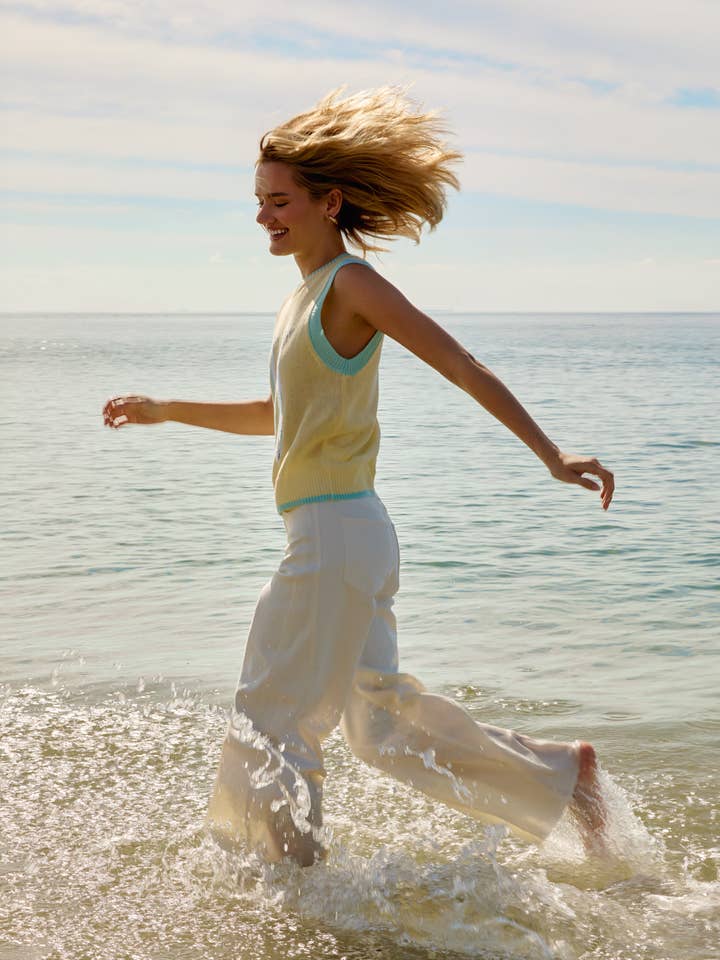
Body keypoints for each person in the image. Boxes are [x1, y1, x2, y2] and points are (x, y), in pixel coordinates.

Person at [103, 88, 614, 867]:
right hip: (347, 533)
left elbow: (459, 363)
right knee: (380, 728)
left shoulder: (350, 284)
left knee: (271, 716)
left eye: (279, 201)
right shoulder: (301, 299)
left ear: (328, 202)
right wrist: (166, 410)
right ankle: (563, 774)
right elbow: (278, 415)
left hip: (335, 533)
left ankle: (296, 889)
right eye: (259, 201)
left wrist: (551, 454)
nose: (263, 216)